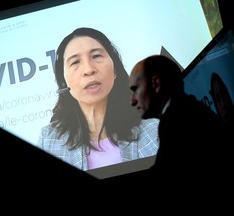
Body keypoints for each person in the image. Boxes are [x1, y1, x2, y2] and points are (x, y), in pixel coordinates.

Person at [37, 27, 159, 171]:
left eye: (96, 56)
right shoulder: (48, 141)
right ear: (63, 82)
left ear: (115, 70)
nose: (89, 69)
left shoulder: (154, 131)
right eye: (75, 62)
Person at [129, 54, 231, 185]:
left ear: (156, 84)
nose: (132, 100)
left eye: (135, 89)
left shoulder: (175, 120)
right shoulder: (186, 108)